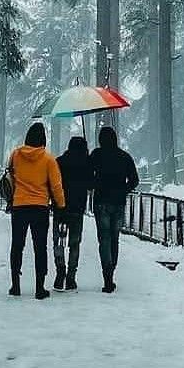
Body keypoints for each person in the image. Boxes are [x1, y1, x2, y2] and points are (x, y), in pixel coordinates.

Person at [6, 121, 65, 299]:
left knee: (17, 245)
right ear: (43, 139)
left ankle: (15, 285)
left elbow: (10, 176)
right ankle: (40, 288)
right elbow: (56, 185)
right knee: (40, 247)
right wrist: (61, 205)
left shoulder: (15, 155)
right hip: (40, 207)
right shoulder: (49, 159)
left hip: (19, 206)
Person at [89, 125, 139, 293]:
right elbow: (134, 180)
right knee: (114, 238)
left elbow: (88, 178)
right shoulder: (124, 157)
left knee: (104, 239)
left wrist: (96, 183)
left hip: (101, 202)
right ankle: (112, 270)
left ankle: (107, 275)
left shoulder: (96, 155)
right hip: (118, 203)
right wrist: (123, 189)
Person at [53, 135, 91, 291]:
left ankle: (60, 271)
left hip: (60, 208)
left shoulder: (59, 161)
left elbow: (53, 182)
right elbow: (90, 184)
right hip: (77, 209)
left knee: (59, 241)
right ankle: (71, 277)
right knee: (74, 243)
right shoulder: (86, 163)